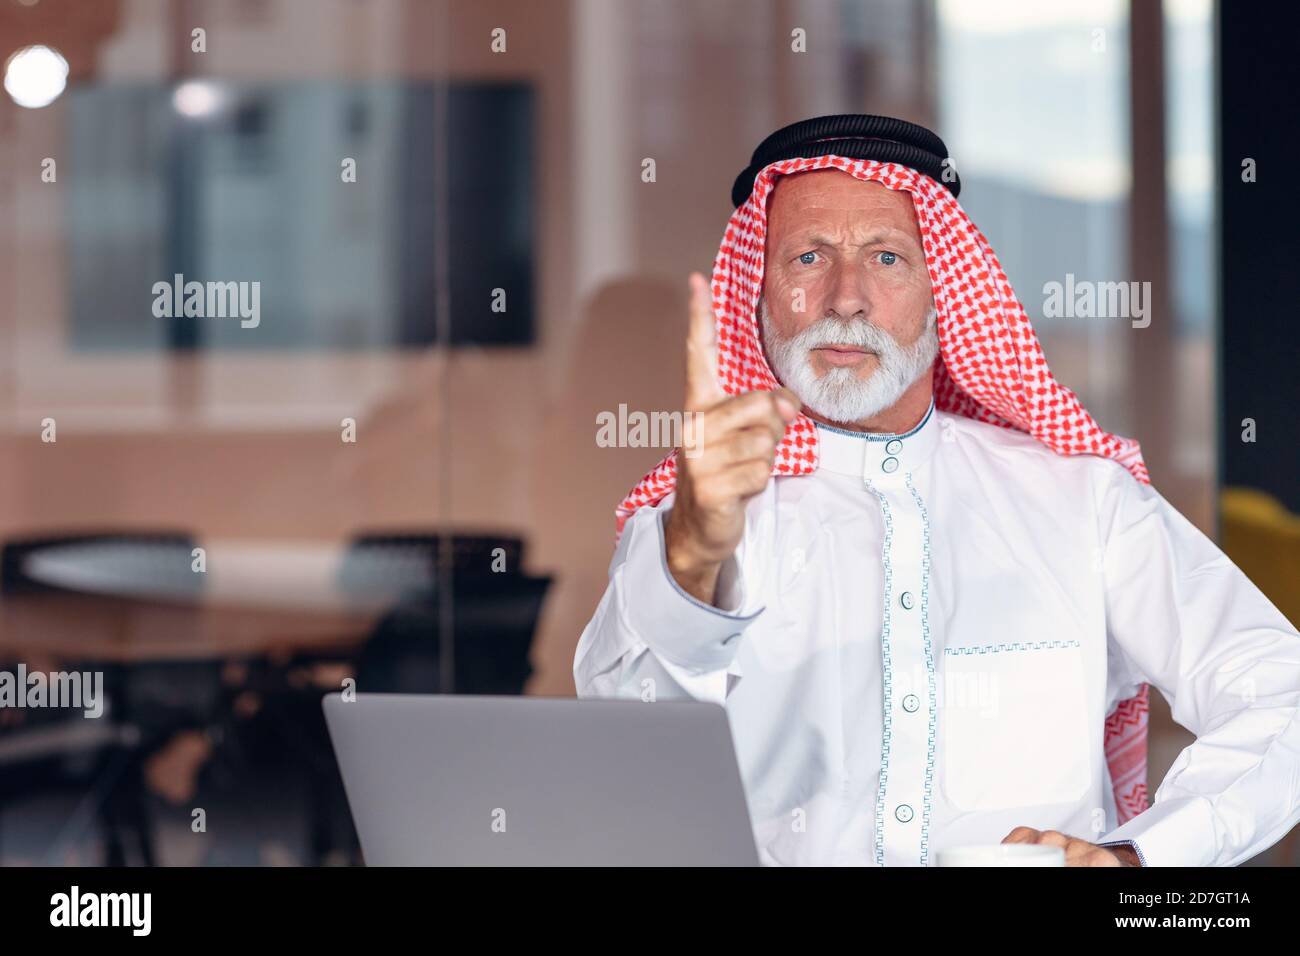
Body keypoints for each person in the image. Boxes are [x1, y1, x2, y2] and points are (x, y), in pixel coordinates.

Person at [573, 114, 1300, 866]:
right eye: (807, 257)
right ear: (757, 295)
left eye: (887, 257)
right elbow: (624, 750)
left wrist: (1137, 857)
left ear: (942, 290)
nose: (845, 298)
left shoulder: (1084, 503)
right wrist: (692, 552)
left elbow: (1282, 692)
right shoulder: (694, 524)